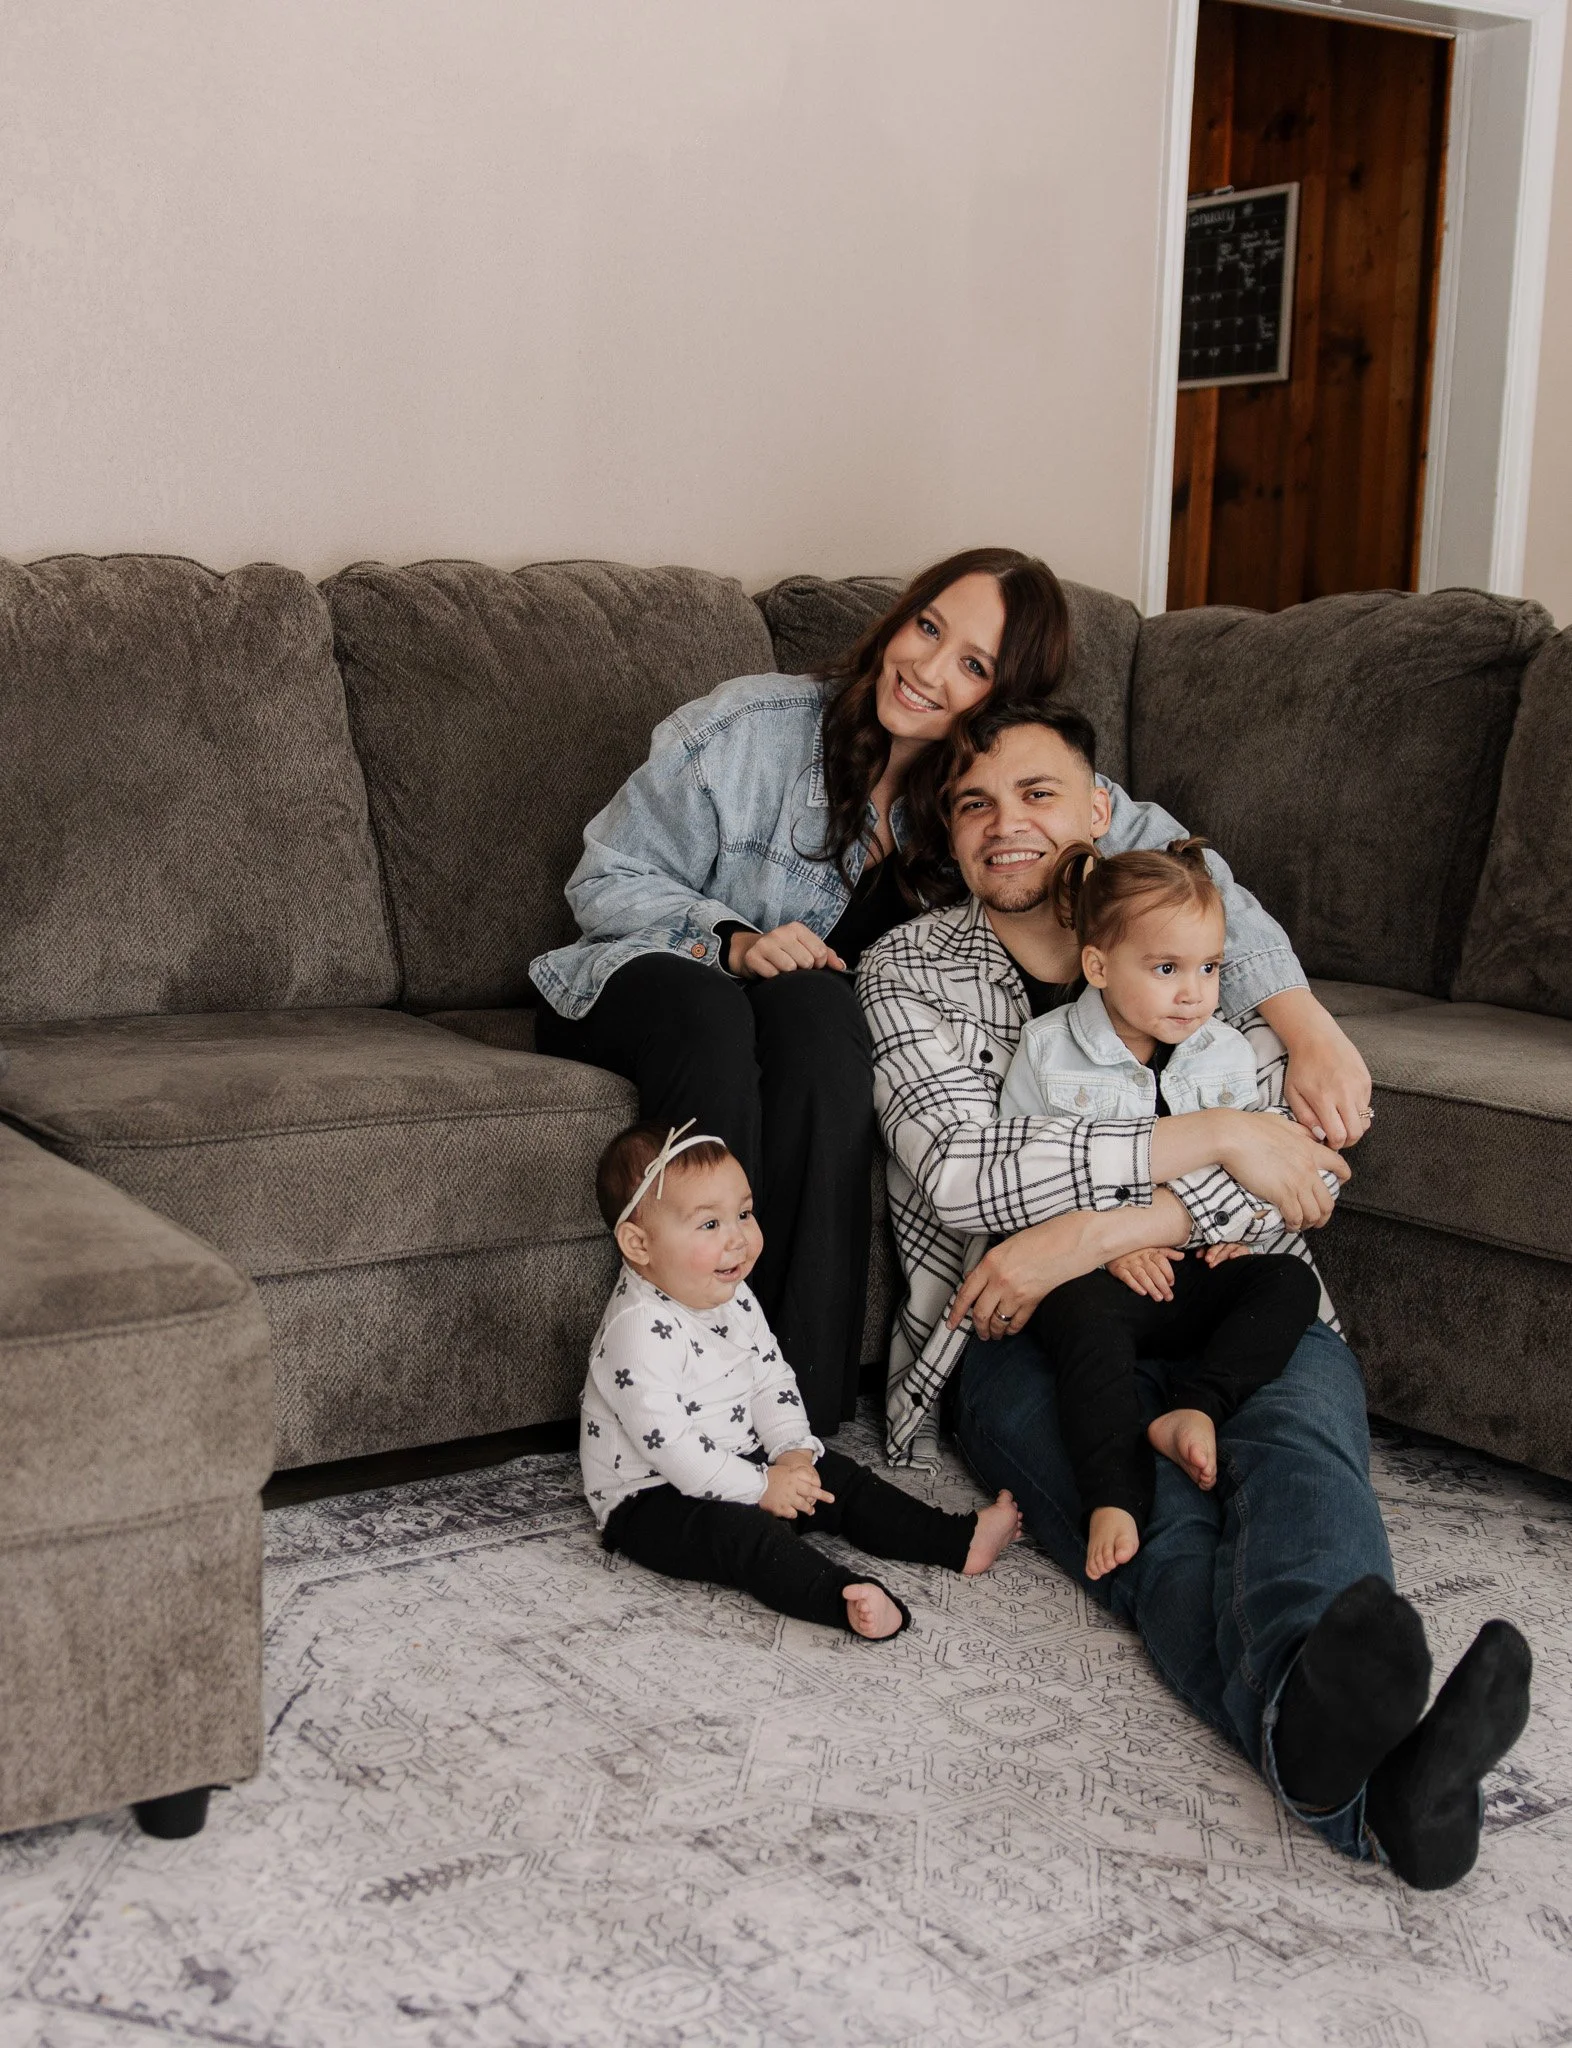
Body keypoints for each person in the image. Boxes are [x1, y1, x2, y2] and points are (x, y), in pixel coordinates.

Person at [858, 699, 1533, 1888]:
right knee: (1156, 1520)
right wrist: (1217, 1142)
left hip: (1232, 1295)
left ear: (1103, 810)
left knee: (1299, 1457)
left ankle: (1344, 1769)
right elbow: (965, 1170)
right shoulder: (909, 967)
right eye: (973, 805)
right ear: (949, 839)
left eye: (1038, 792)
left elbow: (1294, 1185)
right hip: (1021, 1333)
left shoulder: (1200, 951)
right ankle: (1373, 1793)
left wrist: (1104, 1224)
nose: (1005, 823)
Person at [532, 545, 1373, 1434]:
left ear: (1002, 696)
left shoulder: (992, 789)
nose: (928, 669)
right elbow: (606, 880)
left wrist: (1305, 1023)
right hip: (642, 983)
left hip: (795, 1017)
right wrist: (733, 941)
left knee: (821, 1010)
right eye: (926, 627)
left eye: (971, 664)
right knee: (721, 1009)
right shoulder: (752, 727)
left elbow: (1185, 876)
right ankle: (679, 1378)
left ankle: (795, 1412)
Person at [997, 836, 1325, 1580]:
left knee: (1287, 1285)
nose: (1194, 993)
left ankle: (1197, 1406)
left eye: (1209, 968)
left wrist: (1236, 1234)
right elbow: (1023, 1176)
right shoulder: (1049, 1051)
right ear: (1100, 967)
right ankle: (1113, 1493)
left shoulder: (1227, 1053)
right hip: (1094, 1277)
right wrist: (1110, 1246)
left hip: (1190, 1266)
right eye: (1168, 969)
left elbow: (1263, 1173)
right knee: (1082, 1327)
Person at [582, 1120, 1022, 1640]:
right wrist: (762, 1487)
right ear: (638, 1244)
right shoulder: (636, 1332)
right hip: (654, 1498)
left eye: (743, 1214)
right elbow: (675, 1450)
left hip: (741, 1462)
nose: (739, 1239)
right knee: (745, 1537)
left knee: (835, 1477)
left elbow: (769, 1375)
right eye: (709, 1225)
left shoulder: (731, 1292)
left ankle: (957, 1541)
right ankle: (844, 1599)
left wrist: (792, 1450)